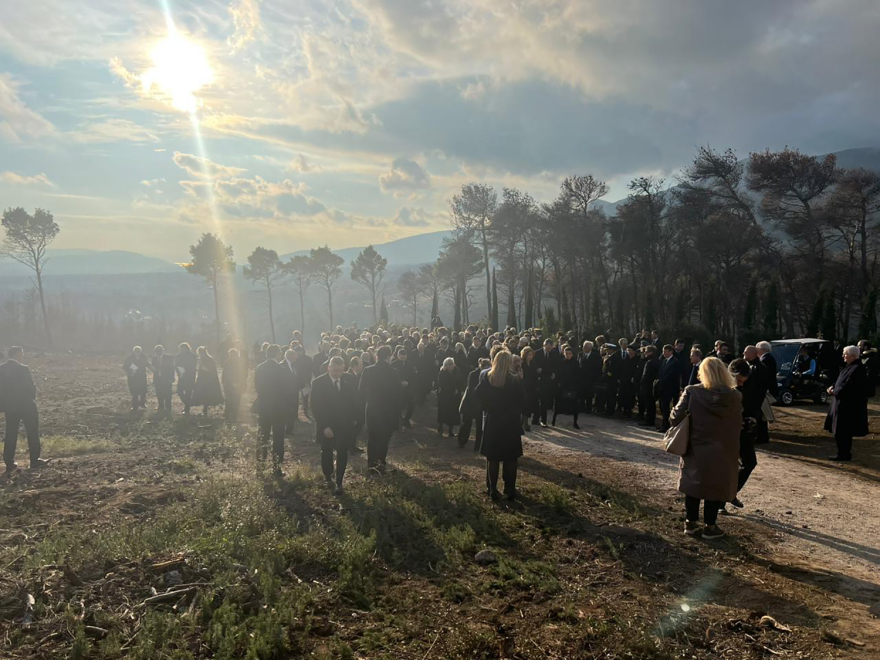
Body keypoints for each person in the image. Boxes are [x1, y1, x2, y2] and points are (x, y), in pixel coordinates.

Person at [670, 357, 742, 539]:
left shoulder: (692, 392)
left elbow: (674, 418)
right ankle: (710, 526)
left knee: (693, 483)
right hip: (724, 448)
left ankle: (691, 523)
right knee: (715, 485)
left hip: (696, 444)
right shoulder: (735, 396)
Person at [476, 350, 525, 501]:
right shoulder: (514, 380)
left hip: (494, 421)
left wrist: (487, 407)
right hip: (511, 422)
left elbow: (477, 394)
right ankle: (509, 489)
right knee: (511, 458)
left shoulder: (487, 377)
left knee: (493, 458)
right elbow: (523, 400)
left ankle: (492, 489)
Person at [311, 356, 358, 495]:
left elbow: (355, 400)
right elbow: (316, 406)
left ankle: (339, 482)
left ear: (344, 369)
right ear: (328, 368)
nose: (338, 373)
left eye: (340, 370)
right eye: (335, 370)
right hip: (326, 424)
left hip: (344, 424)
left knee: (342, 452)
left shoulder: (349, 380)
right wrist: (325, 426)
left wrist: (355, 419)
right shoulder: (318, 383)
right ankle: (328, 475)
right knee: (326, 451)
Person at [0, 347, 47, 473]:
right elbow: (30, 387)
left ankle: (9, 462)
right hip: (26, 405)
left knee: (10, 433)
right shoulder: (23, 369)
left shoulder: (1, 369)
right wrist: (31, 398)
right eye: (21, 354)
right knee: (32, 432)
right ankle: (34, 460)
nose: (22, 357)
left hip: (10, 407)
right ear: (17, 354)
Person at [359, 345, 403, 475]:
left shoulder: (368, 370)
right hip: (388, 410)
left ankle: (371, 463)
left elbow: (361, 391)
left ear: (376, 356)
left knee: (373, 437)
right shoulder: (394, 372)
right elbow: (399, 393)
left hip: (372, 409)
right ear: (389, 357)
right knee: (385, 437)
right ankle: (381, 461)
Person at [824, 345, 869, 461]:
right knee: (840, 431)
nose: (843, 356)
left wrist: (834, 391)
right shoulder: (849, 367)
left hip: (847, 406)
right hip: (841, 403)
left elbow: (848, 387)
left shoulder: (857, 369)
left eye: (845, 354)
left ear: (852, 356)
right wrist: (833, 387)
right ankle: (842, 453)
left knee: (843, 431)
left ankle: (843, 454)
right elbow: (841, 381)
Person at [728, 359, 761, 510]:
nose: (741, 384)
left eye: (743, 381)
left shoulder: (748, 385)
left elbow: (753, 403)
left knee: (749, 462)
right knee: (728, 466)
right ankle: (722, 497)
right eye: (739, 380)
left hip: (744, 431)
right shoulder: (724, 388)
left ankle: (730, 493)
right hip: (729, 432)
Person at [254, 345, 287, 473]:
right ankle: (276, 466)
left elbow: (256, 386)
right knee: (278, 438)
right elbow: (284, 390)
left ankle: (260, 465)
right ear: (277, 354)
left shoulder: (259, 367)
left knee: (262, 435)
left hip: (263, 406)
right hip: (278, 408)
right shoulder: (281, 369)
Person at [459, 357, 490, 450]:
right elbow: (471, 389)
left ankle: (478, 445)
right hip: (470, 402)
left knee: (479, 426)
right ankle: (462, 441)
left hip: (479, 404)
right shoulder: (473, 374)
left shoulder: (488, 375)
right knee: (466, 423)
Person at [743, 345, 770, 445]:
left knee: (757, 418)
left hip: (755, 399)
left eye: (746, 352)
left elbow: (762, 386)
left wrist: (758, 400)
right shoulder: (749, 365)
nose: (743, 354)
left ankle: (760, 437)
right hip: (749, 398)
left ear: (752, 354)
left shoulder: (760, 367)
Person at [532, 339, 560, 427]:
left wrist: (554, 373)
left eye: (550, 348)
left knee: (544, 401)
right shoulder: (537, 353)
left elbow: (556, 365)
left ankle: (543, 420)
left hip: (548, 381)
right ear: (544, 346)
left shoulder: (554, 353)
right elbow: (535, 366)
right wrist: (540, 370)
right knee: (537, 401)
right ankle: (536, 419)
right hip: (538, 381)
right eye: (547, 348)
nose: (548, 350)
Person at [191, 347, 224, 416]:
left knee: (206, 394)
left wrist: (203, 368)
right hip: (202, 380)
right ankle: (205, 408)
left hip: (208, 381)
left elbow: (211, 370)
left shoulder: (209, 360)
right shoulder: (203, 359)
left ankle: (205, 408)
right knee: (203, 394)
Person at [553, 345, 581, 428]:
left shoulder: (576, 363)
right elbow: (558, 374)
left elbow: (578, 375)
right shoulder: (561, 363)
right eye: (566, 353)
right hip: (562, 386)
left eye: (569, 353)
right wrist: (559, 383)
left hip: (572, 386)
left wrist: (576, 385)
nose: (568, 355)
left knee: (574, 406)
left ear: (572, 354)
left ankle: (575, 422)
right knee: (559, 404)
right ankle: (554, 420)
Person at [658, 344, 682, 432]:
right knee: (663, 406)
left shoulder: (675, 362)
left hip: (670, 388)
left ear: (671, 352)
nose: (664, 353)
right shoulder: (664, 361)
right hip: (663, 387)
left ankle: (667, 425)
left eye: (666, 351)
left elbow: (672, 375)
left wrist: (663, 380)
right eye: (663, 351)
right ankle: (664, 424)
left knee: (666, 406)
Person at [392, 348, 418, 428]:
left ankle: (407, 419)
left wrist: (408, 382)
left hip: (408, 388)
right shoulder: (393, 364)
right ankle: (400, 420)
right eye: (401, 356)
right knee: (398, 405)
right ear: (398, 356)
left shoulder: (410, 364)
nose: (403, 357)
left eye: (404, 356)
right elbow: (391, 376)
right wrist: (400, 382)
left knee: (412, 404)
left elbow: (414, 375)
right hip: (398, 389)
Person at [437, 357, 462, 437]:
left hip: (454, 396)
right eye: (449, 364)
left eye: (452, 363)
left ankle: (450, 431)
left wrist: (458, 389)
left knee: (453, 413)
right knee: (443, 412)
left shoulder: (457, 371)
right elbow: (442, 384)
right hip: (445, 395)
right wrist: (452, 390)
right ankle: (440, 427)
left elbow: (460, 381)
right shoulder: (442, 373)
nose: (451, 366)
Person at [639, 345, 661, 428]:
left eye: (646, 352)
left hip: (648, 385)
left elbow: (645, 375)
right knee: (651, 403)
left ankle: (649, 420)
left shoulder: (649, 362)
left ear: (651, 352)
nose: (645, 353)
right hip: (654, 385)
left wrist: (641, 383)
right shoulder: (658, 361)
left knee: (648, 403)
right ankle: (650, 419)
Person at [222, 348, 245, 423]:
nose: (231, 356)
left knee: (234, 401)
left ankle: (232, 416)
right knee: (231, 401)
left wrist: (238, 382)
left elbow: (243, 374)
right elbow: (224, 375)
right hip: (231, 386)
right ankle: (229, 416)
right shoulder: (228, 363)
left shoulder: (239, 363)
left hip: (234, 385)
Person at [578, 340, 601, 414]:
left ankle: (588, 408)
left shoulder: (596, 357)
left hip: (590, 379)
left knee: (589, 395)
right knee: (581, 394)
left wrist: (594, 378)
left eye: (585, 347)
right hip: (581, 378)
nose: (583, 348)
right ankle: (581, 407)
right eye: (583, 346)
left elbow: (597, 369)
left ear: (590, 348)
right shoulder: (580, 354)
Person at [151, 345, 176, 413]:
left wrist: (171, 378)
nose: (158, 352)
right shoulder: (154, 358)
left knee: (168, 393)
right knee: (159, 393)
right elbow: (154, 369)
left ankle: (168, 407)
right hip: (158, 378)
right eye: (156, 351)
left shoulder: (168, 358)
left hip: (167, 378)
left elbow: (172, 369)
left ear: (162, 350)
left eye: (159, 351)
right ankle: (161, 406)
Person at [123, 346, 149, 410]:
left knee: (143, 391)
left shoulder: (143, 357)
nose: (138, 353)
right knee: (134, 391)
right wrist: (131, 370)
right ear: (134, 352)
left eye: (139, 351)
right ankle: (135, 405)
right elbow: (124, 367)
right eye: (136, 351)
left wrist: (152, 368)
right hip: (133, 377)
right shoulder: (129, 358)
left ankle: (142, 404)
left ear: (141, 351)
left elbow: (146, 364)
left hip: (142, 377)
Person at [175, 343, 198, 414]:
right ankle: (188, 403)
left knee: (188, 392)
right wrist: (179, 372)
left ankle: (187, 408)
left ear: (186, 348)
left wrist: (185, 370)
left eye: (182, 349)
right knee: (179, 391)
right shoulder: (179, 356)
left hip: (189, 376)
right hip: (182, 375)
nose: (181, 350)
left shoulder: (192, 356)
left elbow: (193, 366)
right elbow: (176, 365)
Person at [520, 347, 539, 432]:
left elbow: (535, 375)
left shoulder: (533, 363)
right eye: (528, 355)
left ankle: (524, 421)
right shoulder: (522, 364)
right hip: (524, 387)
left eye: (531, 354)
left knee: (530, 405)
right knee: (525, 405)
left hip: (532, 387)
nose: (530, 356)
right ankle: (525, 422)